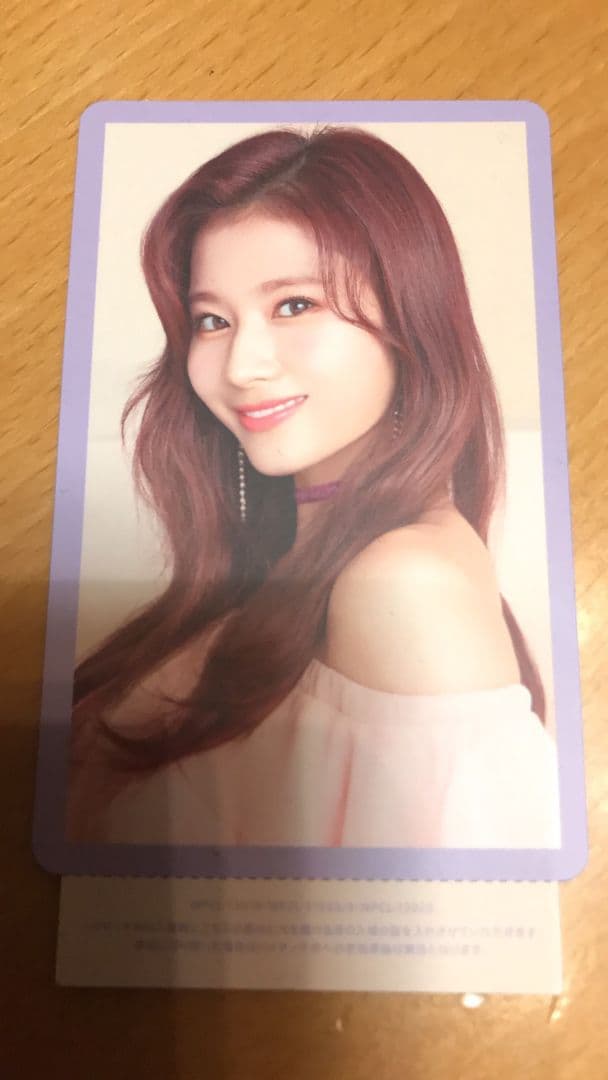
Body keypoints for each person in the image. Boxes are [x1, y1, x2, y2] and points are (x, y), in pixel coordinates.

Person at [67, 125, 560, 849]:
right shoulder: (298, 551)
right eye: (212, 320)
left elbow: (463, 905)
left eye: (294, 305)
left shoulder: (406, 583)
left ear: (410, 316)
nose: (242, 365)